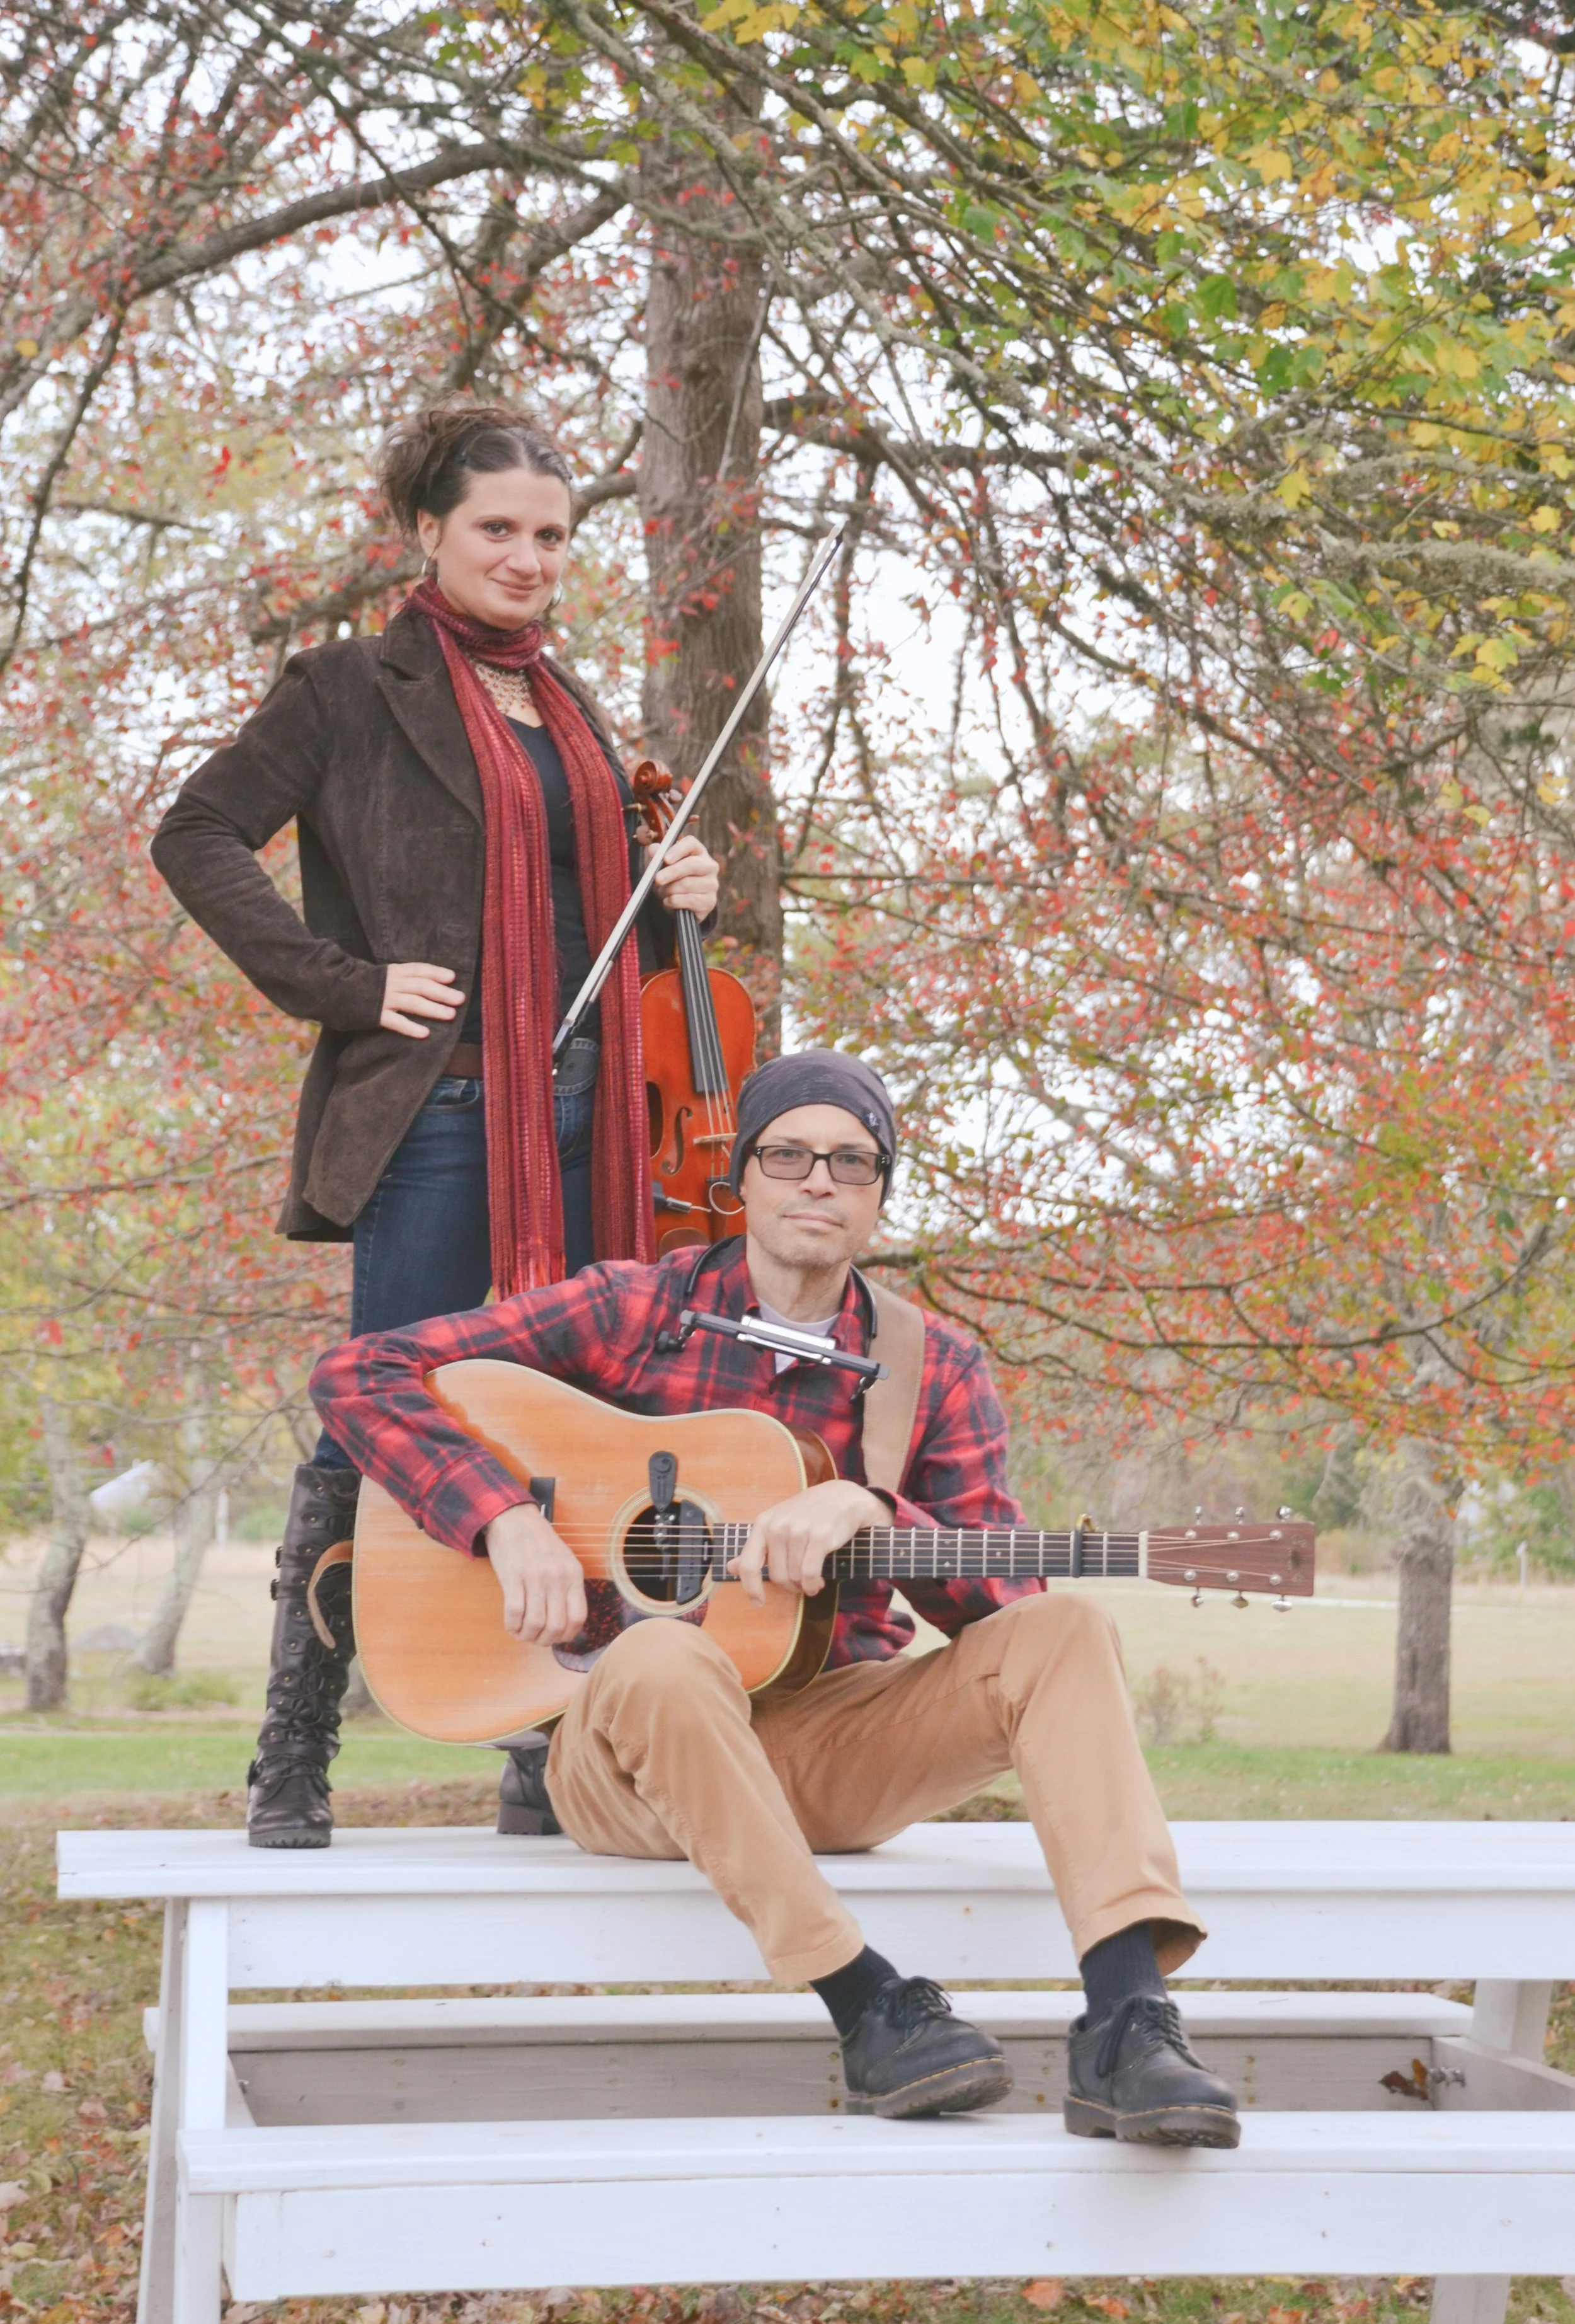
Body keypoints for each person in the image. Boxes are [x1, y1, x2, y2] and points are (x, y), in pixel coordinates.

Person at [310, 1047, 1241, 2147]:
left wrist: (879, 1515)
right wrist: (502, 1516)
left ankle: (1129, 2021)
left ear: (879, 1195)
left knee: (1070, 1625)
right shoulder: (634, 1309)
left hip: (825, 1745)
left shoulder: (928, 1363)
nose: (818, 1180)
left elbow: (1003, 1610)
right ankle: (869, 2004)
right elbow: (359, 1373)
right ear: (740, 1178)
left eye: (851, 1161)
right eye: (789, 1153)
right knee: (662, 1657)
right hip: (629, 1763)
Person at [151, 396, 719, 1849]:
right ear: (430, 534)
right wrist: (341, 986)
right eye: (497, 531)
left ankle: (543, 1739)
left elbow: (591, 931)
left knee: (579, 1428)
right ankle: (295, 1746)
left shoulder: (579, 711)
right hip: (444, 1113)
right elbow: (195, 833)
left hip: (592, 1122)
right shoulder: (350, 687)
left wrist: (675, 903)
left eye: (550, 536)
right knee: (375, 1403)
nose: (527, 560)